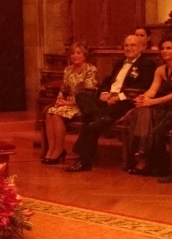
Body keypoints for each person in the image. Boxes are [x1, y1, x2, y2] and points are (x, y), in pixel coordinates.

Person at [64, 35, 156, 173]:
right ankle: (99, 118)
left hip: (125, 102)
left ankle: (84, 161)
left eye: (133, 45)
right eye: (126, 45)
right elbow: (106, 82)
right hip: (107, 102)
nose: (129, 48)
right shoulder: (119, 62)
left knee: (89, 123)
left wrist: (118, 97)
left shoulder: (147, 64)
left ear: (142, 47)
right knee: (81, 95)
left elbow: (143, 86)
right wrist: (104, 94)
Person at [41, 42, 98, 164]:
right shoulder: (68, 70)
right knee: (50, 111)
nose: (75, 55)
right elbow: (63, 89)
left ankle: (59, 149)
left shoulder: (90, 69)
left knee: (56, 115)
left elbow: (88, 93)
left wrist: (69, 103)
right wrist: (59, 100)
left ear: (85, 55)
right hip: (66, 103)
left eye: (78, 53)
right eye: (72, 53)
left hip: (81, 104)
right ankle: (51, 148)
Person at [126, 36, 172, 177]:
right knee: (142, 109)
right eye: (162, 48)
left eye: (169, 48)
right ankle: (143, 154)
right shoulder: (160, 70)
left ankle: (144, 154)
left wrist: (151, 102)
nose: (164, 51)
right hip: (163, 106)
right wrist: (143, 98)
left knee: (151, 113)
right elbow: (152, 90)